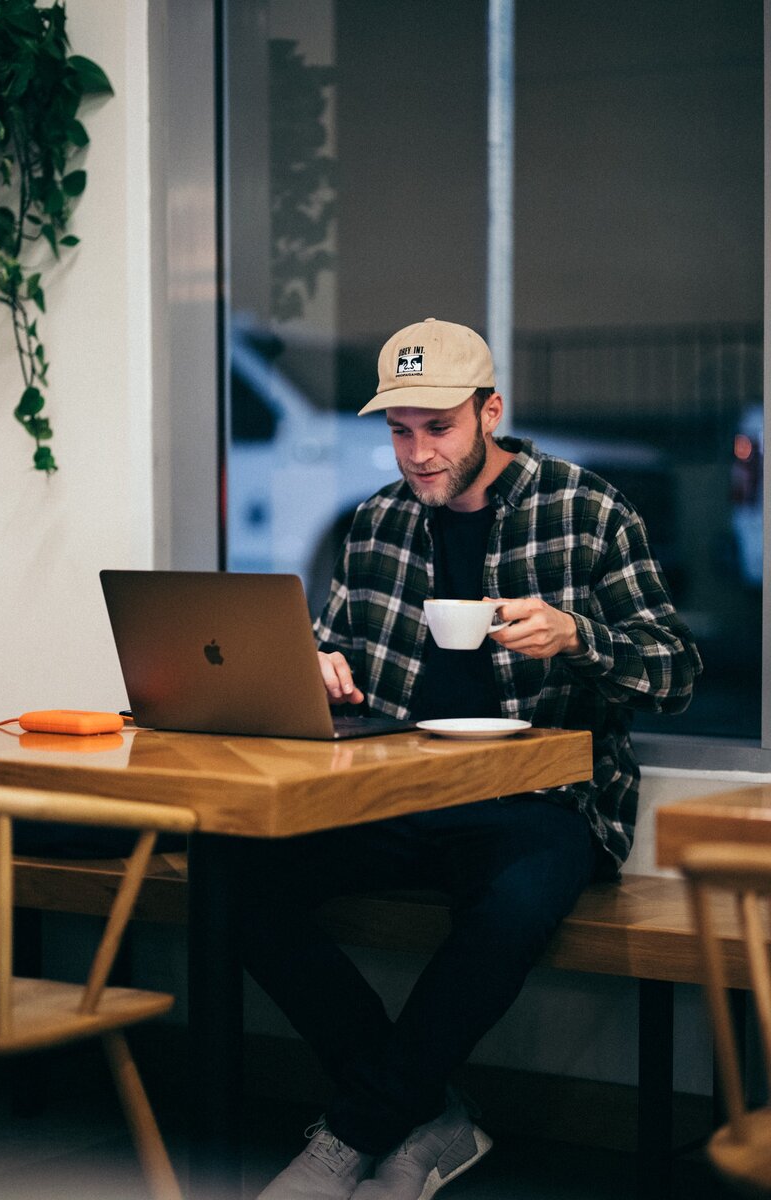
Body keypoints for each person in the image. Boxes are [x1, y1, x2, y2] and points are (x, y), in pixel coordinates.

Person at [238, 317, 702, 1199]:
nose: (416, 454)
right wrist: (320, 668)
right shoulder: (376, 523)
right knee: (237, 869)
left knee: (518, 896)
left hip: (546, 798)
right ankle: (427, 1118)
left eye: (438, 427)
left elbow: (676, 672)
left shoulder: (587, 510)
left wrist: (579, 638)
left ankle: (352, 1134)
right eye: (399, 431)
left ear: (491, 412)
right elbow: (342, 656)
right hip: (399, 792)